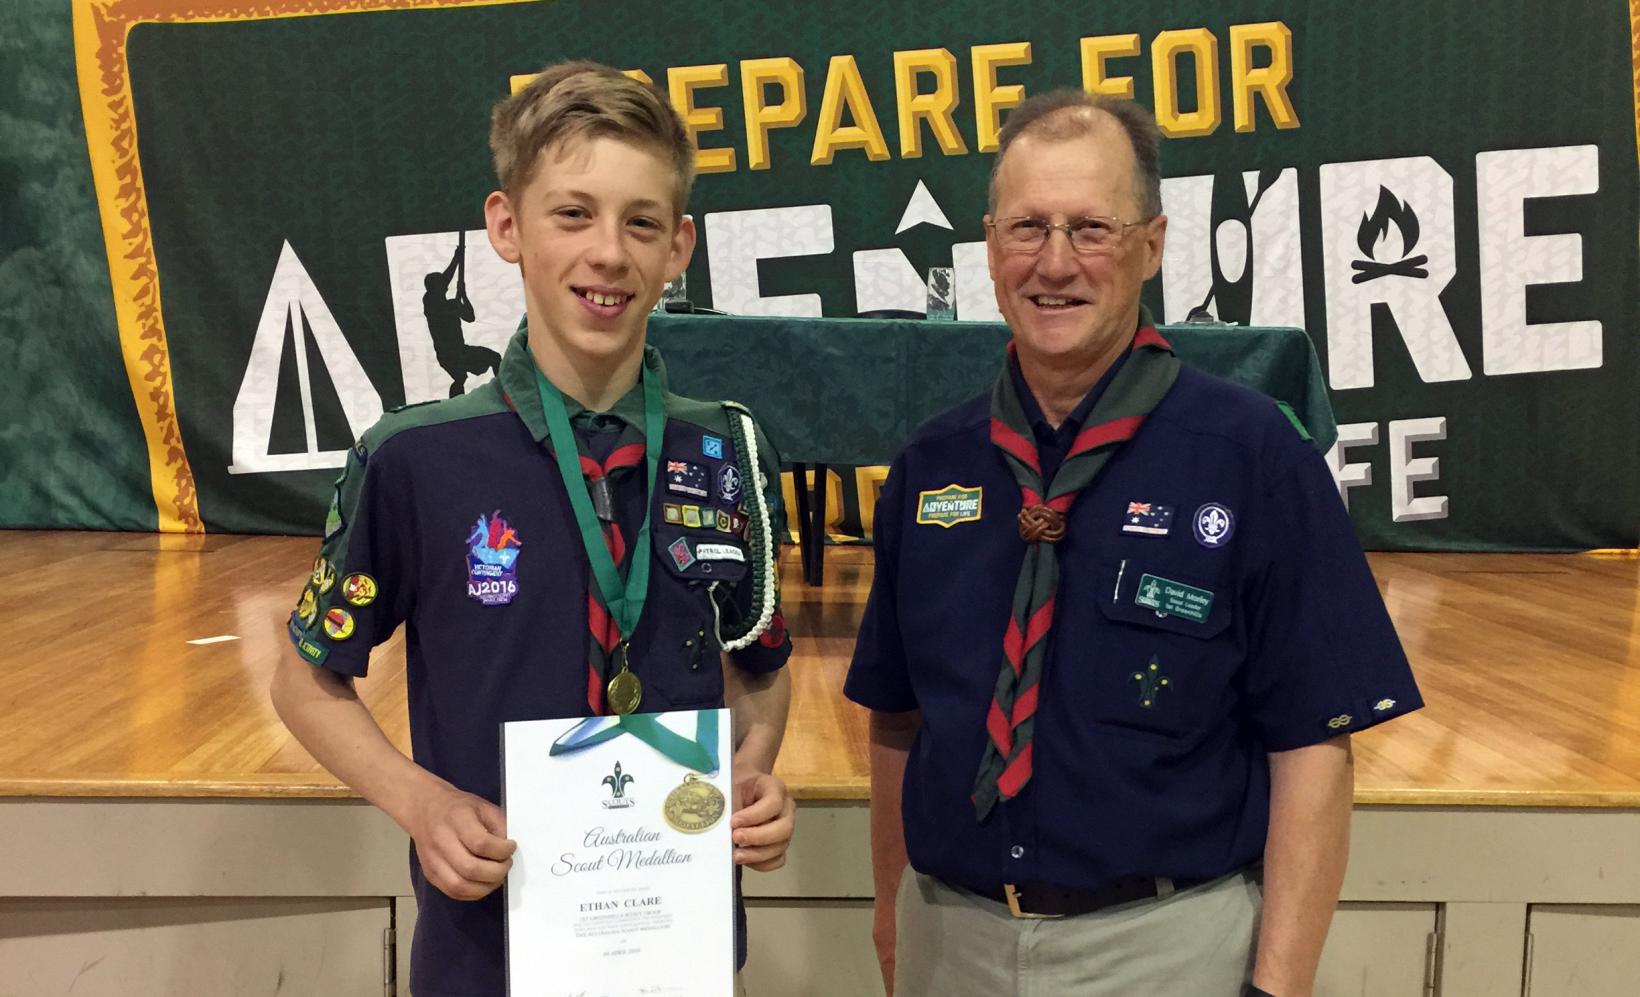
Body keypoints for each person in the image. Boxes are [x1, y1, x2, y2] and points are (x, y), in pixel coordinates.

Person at [843, 89, 1422, 997]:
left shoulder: (1254, 457)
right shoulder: (931, 466)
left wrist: (1280, 984)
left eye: (1091, 228)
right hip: (948, 940)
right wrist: (889, 910)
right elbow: (895, 716)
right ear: (992, 248)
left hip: (1164, 950)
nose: (1056, 262)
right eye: (1029, 227)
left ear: (1151, 244)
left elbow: (1314, 742)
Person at [272, 61, 796, 997]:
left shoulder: (728, 448)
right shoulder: (415, 462)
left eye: (641, 222)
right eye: (573, 213)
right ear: (506, 226)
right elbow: (306, 680)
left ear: (679, 246)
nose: (609, 252)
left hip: (681, 942)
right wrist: (418, 800)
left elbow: (761, 665)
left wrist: (752, 774)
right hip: (490, 952)